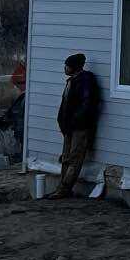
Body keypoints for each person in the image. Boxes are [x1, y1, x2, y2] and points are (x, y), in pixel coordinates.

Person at [54, 52, 102, 199]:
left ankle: (64, 189)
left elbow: (87, 105)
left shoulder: (85, 81)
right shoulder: (72, 81)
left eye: (67, 66)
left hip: (80, 127)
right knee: (66, 157)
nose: (65, 68)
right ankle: (61, 187)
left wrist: (76, 120)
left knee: (74, 158)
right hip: (69, 127)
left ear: (74, 67)